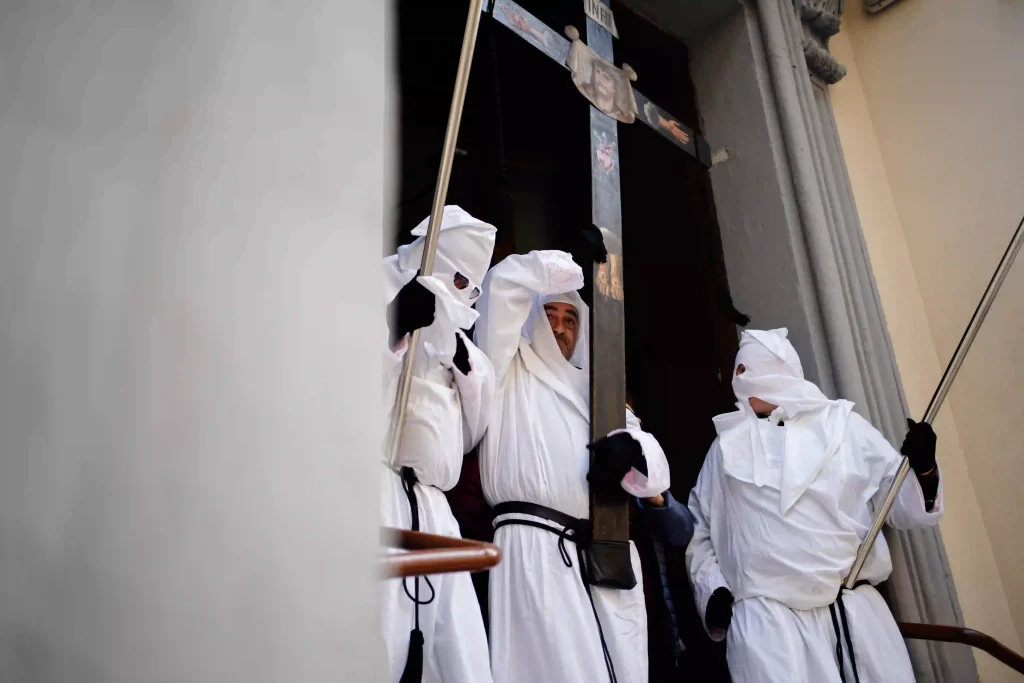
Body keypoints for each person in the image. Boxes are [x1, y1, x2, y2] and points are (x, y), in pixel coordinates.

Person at [686, 328, 943, 683]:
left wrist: (923, 470)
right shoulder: (725, 449)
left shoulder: (844, 427)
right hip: (769, 631)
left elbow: (901, 508)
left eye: (745, 368)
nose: (738, 378)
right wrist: (712, 590)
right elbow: (701, 530)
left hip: (852, 615)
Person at [474, 249, 671, 683]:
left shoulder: (595, 388)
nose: (560, 327)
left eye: (570, 318)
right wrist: (559, 266)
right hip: (534, 551)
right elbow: (500, 289)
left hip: (602, 554)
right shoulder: (506, 366)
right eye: (550, 314)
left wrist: (631, 456)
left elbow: (655, 467)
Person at [381, 205, 496, 683]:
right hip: (375, 491)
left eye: (472, 284)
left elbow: (472, 432)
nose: (463, 293)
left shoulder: (457, 338)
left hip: (434, 508)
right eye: (457, 277)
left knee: (458, 652)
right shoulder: (374, 291)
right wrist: (392, 332)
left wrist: (467, 371)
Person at [624, 397, 697, 682]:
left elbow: (682, 531)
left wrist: (653, 496)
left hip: (659, 625)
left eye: (633, 417)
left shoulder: (640, 481)